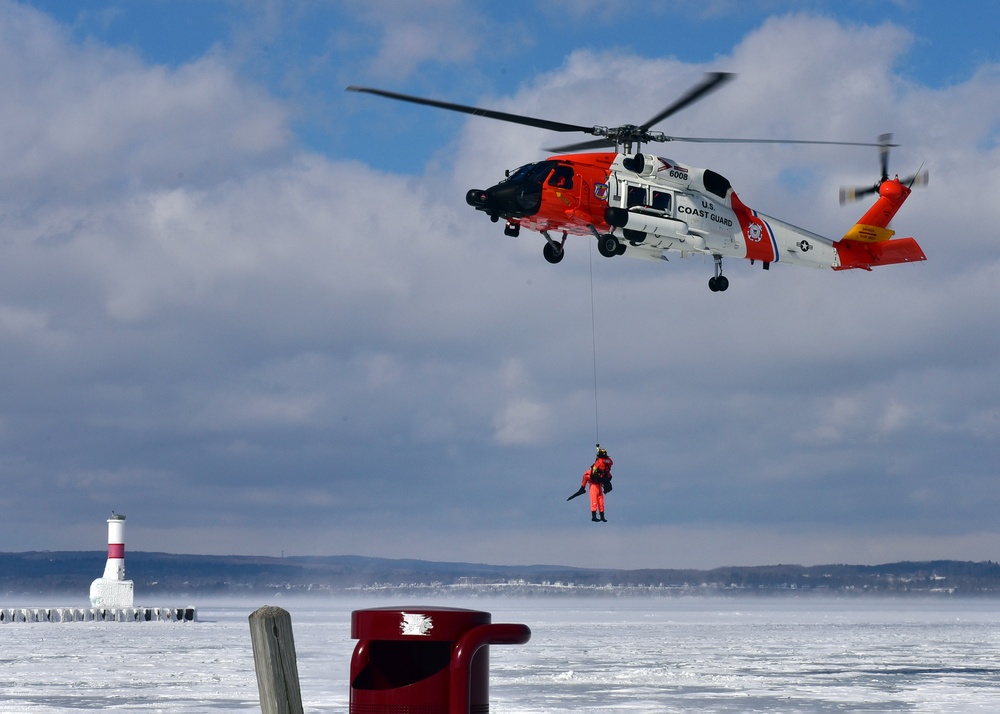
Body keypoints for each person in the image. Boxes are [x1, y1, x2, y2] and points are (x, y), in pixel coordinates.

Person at [581, 445, 613, 522]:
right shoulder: (609, 461)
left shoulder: (599, 462)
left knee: (595, 500)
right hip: (601, 482)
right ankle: (602, 516)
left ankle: (582, 488)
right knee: (601, 501)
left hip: (595, 484)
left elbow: (593, 471)